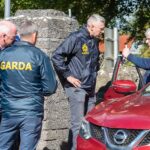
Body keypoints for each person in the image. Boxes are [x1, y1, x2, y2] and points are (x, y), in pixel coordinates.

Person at [0, 20, 57, 150]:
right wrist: (35, 92)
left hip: (8, 110)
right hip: (31, 112)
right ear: (34, 35)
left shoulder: (3, 55)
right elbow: (50, 87)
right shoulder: (39, 56)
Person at [52, 14, 105, 150]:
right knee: (78, 125)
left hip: (90, 89)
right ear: (92, 26)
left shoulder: (93, 40)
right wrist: (68, 76)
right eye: (101, 28)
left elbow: (93, 64)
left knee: (90, 125)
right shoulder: (76, 37)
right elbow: (56, 56)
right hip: (77, 88)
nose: (102, 31)